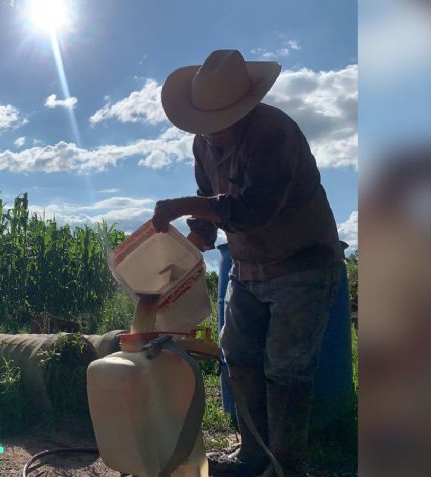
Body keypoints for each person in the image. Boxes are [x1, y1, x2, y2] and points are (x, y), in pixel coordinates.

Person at [153, 49, 344, 477]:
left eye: (222, 123)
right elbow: (211, 215)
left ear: (246, 107)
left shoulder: (274, 133)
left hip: (303, 266)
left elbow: (253, 209)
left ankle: (287, 466)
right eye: (205, 125)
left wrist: (184, 204)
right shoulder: (203, 143)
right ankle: (252, 454)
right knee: (238, 356)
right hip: (248, 267)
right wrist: (188, 248)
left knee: (287, 371)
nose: (212, 133)